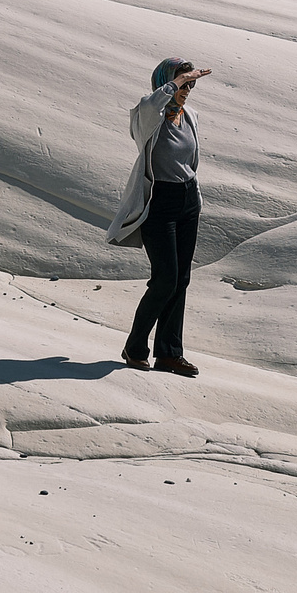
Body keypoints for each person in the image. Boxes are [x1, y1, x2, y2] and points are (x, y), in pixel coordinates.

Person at [107, 56, 213, 374]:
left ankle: (169, 354)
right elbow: (155, 103)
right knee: (165, 279)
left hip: (187, 201)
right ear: (167, 82)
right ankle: (135, 345)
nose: (188, 89)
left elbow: (190, 161)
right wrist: (177, 82)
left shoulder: (189, 116)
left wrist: (193, 197)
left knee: (181, 279)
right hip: (158, 202)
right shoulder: (147, 114)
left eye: (192, 84)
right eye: (183, 83)